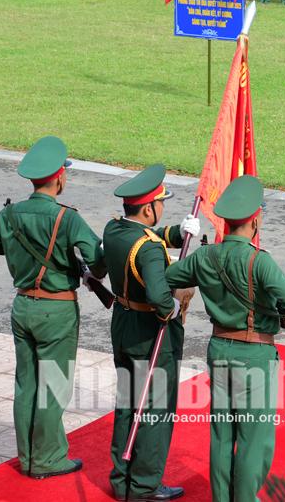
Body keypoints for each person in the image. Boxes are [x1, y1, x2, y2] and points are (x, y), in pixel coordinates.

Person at [164, 175, 285, 502]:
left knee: (222, 433)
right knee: (253, 438)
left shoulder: (205, 257)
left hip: (219, 348)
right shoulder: (260, 261)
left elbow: (170, 276)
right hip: (254, 354)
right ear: (255, 220)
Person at [0, 136, 105, 479]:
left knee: (26, 384)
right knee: (53, 386)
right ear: (60, 177)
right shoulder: (67, 218)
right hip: (56, 311)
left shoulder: (10, 213)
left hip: (23, 306)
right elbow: (99, 262)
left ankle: (29, 457)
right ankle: (48, 459)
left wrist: (16, 251)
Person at [105, 165, 199, 502]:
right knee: (156, 409)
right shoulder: (149, 249)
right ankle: (144, 484)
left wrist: (177, 233)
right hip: (149, 333)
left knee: (128, 403)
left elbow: (146, 235)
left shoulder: (114, 229)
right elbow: (160, 297)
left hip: (123, 324)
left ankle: (121, 480)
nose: (162, 207)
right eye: (160, 203)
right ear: (148, 209)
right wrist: (173, 310)